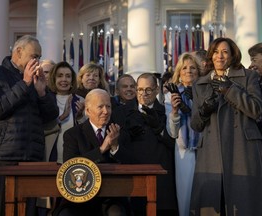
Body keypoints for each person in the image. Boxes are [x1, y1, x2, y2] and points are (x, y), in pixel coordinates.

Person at [0, 35, 59, 216]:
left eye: (39, 56)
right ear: (18, 52)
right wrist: (24, 83)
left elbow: (51, 117)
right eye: (34, 56)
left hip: (30, 157)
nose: (37, 61)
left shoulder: (37, 79)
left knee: (26, 211)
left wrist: (42, 93)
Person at [190, 37, 262, 216]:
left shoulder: (248, 77)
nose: (219, 56)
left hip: (241, 150)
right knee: (214, 204)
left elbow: (256, 110)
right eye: (215, 52)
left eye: (224, 52)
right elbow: (196, 125)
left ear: (232, 55)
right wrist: (205, 111)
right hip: (211, 153)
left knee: (243, 205)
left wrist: (230, 89)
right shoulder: (200, 83)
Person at [54, 88, 131, 216]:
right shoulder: (73, 134)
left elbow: (132, 164)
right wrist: (101, 149)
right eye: (100, 107)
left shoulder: (119, 132)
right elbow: (70, 167)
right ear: (88, 111)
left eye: (108, 107)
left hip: (111, 197)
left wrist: (115, 147)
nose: (106, 112)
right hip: (79, 198)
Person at [111, 72, 178, 215]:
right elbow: (117, 146)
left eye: (148, 89)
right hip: (133, 177)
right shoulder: (120, 112)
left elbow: (174, 145)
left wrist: (159, 129)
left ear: (156, 89)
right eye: (140, 89)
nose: (144, 94)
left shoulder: (167, 111)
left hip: (161, 180)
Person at [164, 53, 200, 216]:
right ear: (179, 71)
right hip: (184, 149)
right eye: (184, 67)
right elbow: (172, 132)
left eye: (193, 67)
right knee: (185, 195)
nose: (188, 71)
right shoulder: (169, 96)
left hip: (206, 148)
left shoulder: (205, 92)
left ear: (199, 71)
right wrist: (175, 111)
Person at [46, 61, 85, 164]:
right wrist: (61, 118)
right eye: (60, 76)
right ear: (54, 79)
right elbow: (41, 130)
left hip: (74, 160)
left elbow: (88, 132)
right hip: (50, 158)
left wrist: (80, 117)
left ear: (72, 80)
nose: (64, 79)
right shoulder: (46, 100)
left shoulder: (81, 100)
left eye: (68, 76)